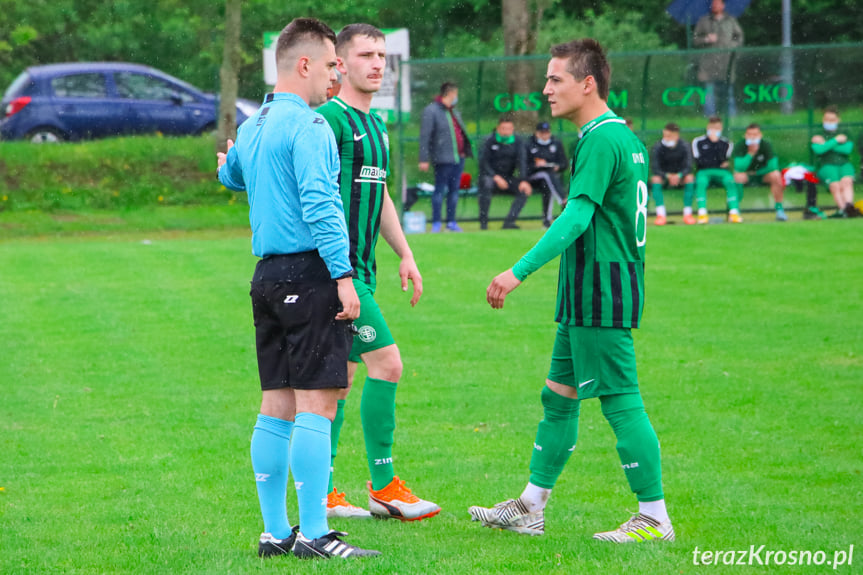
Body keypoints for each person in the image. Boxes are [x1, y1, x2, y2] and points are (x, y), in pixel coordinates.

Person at [469, 38, 674, 544]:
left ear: (588, 83)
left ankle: (654, 517)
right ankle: (530, 507)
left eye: (555, 79)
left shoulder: (602, 139)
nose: (545, 89)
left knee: (621, 400)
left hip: (601, 290)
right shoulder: (615, 136)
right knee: (557, 397)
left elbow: (577, 216)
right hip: (587, 291)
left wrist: (516, 271)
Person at [217, 18, 379, 560]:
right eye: (333, 64)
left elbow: (235, 176)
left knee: (275, 405)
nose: (336, 75)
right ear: (304, 64)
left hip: (266, 279)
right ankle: (314, 534)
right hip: (309, 275)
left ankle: (274, 533)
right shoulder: (310, 126)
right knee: (317, 406)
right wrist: (343, 274)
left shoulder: (254, 124)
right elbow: (319, 201)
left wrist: (225, 171)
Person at [317, 23, 441, 522]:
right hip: (338, 274)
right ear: (340, 64)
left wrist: (405, 254)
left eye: (382, 56)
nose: (377, 64)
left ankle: (325, 491)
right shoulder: (330, 119)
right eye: (366, 54)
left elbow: (381, 192)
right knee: (387, 364)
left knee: (340, 381)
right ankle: (385, 485)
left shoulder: (378, 126)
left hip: (362, 271)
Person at [419, 81, 473, 232]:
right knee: (439, 190)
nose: (456, 97)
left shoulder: (453, 111)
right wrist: (423, 159)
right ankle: (436, 223)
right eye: (455, 94)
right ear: (450, 94)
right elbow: (425, 136)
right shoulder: (431, 111)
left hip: (458, 158)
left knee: (454, 190)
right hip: (442, 159)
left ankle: (451, 222)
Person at [478, 114, 533, 230]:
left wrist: (523, 180)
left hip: (508, 178)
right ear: (498, 128)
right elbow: (483, 163)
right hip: (490, 177)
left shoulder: (517, 141)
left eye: (509, 129)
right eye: (503, 129)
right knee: (486, 184)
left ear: (512, 129)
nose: (506, 132)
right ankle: (483, 224)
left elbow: (522, 162)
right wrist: (495, 177)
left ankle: (509, 222)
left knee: (524, 190)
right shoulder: (489, 140)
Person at [694, 0, 743, 117]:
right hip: (708, 64)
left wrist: (731, 46)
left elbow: (739, 37)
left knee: (728, 92)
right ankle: (711, 118)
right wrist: (706, 39)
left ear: (723, 5)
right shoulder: (704, 21)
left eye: (718, 3)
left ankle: (731, 117)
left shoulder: (731, 20)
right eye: (713, 4)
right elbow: (695, 39)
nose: (715, 6)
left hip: (727, 62)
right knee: (709, 93)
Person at [732, 123, 787, 221]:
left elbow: (773, 166)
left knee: (776, 175)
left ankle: (779, 210)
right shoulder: (740, 145)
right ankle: (735, 210)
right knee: (737, 177)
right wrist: (750, 154)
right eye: (750, 134)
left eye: (755, 134)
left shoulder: (766, 145)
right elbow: (738, 167)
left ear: (760, 135)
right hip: (746, 175)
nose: (752, 137)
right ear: (745, 135)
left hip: (762, 175)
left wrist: (757, 173)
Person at [812, 106, 859, 218]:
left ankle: (848, 206)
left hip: (844, 164)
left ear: (838, 120)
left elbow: (847, 149)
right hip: (826, 165)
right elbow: (818, 150)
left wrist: (826, 144)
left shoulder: (845, 132)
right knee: (835, 185)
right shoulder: (818, 132)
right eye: (826, 119)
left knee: (846, 181)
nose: (828, 122)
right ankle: (843, 211)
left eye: (832, 120)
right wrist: (836, 140)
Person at [692, 116, 740, 223]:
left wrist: (715, 144)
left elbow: (724, 161)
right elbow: (699, 162)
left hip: (721, 172)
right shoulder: (698, 141)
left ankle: (733, 212)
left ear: (721, 128)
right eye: (712, 127)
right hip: (704, 172)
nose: (714, 130)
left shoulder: (727, 143)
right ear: (708, 127)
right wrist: (715, 162)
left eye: (717, 128)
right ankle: (702, 213)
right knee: (701, 182)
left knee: (730, 181)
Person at [649, 122, 694, 225]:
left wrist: (679, 175)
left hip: (680, 177)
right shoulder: (657, 147)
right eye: (664, 135)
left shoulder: (685, 146)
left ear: (676, 135)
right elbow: (655, 168)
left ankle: (688, 214)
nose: (666, 138)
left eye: (668, 136)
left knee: (689, 178)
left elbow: (689, 166)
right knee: (655, 179)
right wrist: (667, 176)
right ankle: (661, 215)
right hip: (664, 177)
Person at [527, 121, 568, 227]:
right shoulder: (529, 144)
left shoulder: (556, 143)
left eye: (547, 132)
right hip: (534, 177)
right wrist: (537, 165)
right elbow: (524, 166)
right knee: (546, 175)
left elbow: (564, 163)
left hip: (552, 178)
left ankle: (546, 220)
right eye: (542, 132)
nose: (545, 135)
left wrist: (557, 166)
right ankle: (563, 199)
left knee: (547, 184)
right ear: (537, 133)